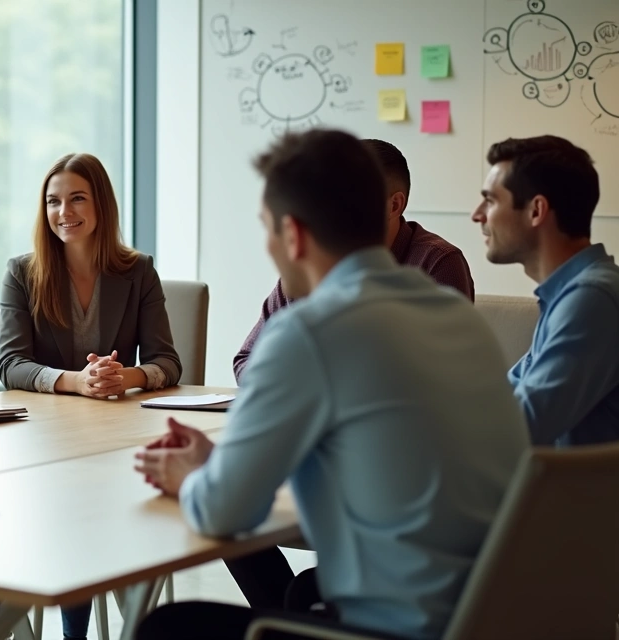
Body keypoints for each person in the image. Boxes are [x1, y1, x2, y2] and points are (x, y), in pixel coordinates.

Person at [133, 129, 528, 640]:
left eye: (266, 229)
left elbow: (223, 512)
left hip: (397, 630)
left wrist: (192, 475)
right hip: (492, 617)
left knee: (170, 627)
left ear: (293, 235)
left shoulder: (308, 333)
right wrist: (222, 465)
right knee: (300, 595)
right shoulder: (459, 316)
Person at [0, 151, 180, 640]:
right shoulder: (22, 272)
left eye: (77, 198)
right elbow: (9, 364)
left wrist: (126, 378)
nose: (64, 212)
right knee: (67, 516)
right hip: (45, 445)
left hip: (120, 440)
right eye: (53, 201)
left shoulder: (138, 271)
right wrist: (76, 380)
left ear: (101, 205)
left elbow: (167, 361)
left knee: (106, 520)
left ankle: (126, 624)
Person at [232, 138, 473, 383]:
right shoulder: (310, 266)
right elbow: (247, 359)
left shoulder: (438, 262)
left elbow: (447, 372)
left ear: (394, 205)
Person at [473, 135, 619, 446]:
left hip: (576, 494)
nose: (478, 215)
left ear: (536, 211)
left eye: (491, 200)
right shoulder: (571, 293)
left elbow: (520, 426)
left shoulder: (593, 298)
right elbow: (506, 395)